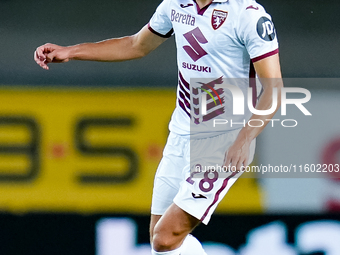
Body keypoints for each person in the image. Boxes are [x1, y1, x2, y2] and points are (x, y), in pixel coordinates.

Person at [34, 0, 283, 254]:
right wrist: (71, 51)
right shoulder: (175, 5)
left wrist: (244, 138)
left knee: (166, 237)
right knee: (161, 243)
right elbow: (136, 45)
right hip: (181, 131)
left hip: (224, 139)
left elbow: (274, 90)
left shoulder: (248, 15)